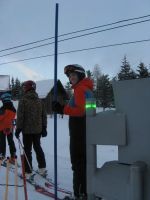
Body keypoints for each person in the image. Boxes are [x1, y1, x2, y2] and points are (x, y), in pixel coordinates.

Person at [52, 64, 94, 199]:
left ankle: (79, 194)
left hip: (78, 133)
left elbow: (81, 111)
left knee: (78, 165)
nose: (71, 78)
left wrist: (62, 109)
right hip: (85, 131)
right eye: (70, 76)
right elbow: (90, 111)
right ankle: (86, 192)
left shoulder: (80, 89)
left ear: (80, 75)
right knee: (84, 164)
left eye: (74, 75)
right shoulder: (88, 90)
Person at [15, 80, 47, 179]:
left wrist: (18, 128)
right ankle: (42, 168)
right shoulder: (39, 101)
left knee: (27, 150)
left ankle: (27, 172)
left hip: (27, 130)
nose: (23, 89)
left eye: (24, 87)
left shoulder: (23, 100)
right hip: (37, 130)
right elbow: (44, 116)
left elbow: (20, 116)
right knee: (38, 147)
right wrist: (44, 128)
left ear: (27, 88)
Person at [0, 92, 16, 163]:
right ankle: (13, 155)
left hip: (2, 128)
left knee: (2, 142)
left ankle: (2, 155)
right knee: (11, 141)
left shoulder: (2, 109)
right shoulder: (13, 109)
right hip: (10, 127)